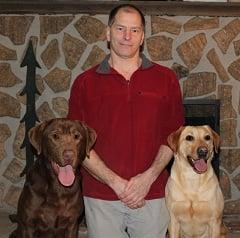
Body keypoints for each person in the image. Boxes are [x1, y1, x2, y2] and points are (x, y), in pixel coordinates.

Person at [67, 4, 184, 238]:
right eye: (120, 28)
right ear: (108, 33)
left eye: (135, 30)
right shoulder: (85, 82)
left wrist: (147, 178)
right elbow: (77, 142)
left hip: (151, 193)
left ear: (142, 37)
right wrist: (116, 183)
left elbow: (173, 134)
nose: (127, 37)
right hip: (101, 195)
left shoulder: (166, 79)